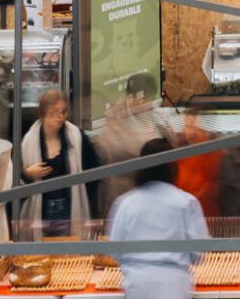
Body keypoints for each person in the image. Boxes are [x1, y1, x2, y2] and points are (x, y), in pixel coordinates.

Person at [106, 139, 210, 299]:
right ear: (172, 166)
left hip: (137, 286)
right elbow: (198, 252)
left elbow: (115, 251)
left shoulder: (125, 203)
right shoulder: (186, 202)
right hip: (174, 286)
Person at [17, 89, 97, 235]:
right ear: (42, 115)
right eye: (54, 112)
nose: (60, 117)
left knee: (68, 254)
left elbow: (94, 173)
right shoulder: (28, 142)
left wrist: (84, 198)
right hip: (40, 211)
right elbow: (15, 182)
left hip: (70, 209)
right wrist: (28, 174)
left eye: (64, 112)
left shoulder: (77, 137)